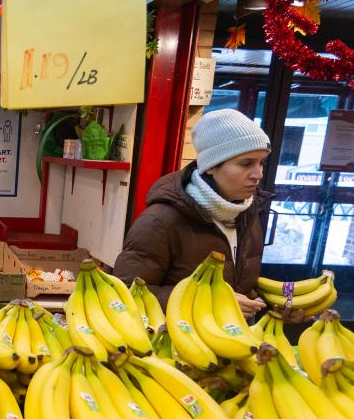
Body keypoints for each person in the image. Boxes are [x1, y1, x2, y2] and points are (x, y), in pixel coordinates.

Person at [113, 109, 272, 316]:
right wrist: (208, 301)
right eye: (246, 163)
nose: (258, 174)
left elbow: (240, 286)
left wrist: (277, 306)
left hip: (232, 339)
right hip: (173, 343)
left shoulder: (247, 213)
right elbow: (127, 293)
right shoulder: (161, 220)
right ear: (211, 166)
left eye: (261, 163)